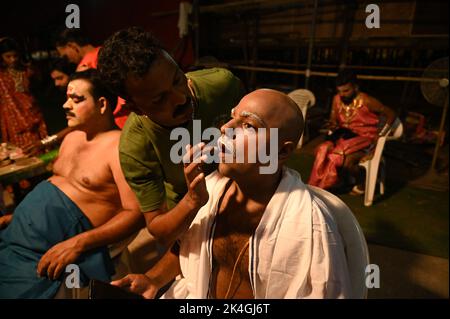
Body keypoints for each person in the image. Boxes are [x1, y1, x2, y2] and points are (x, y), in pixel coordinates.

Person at [111, 89, 352, 299]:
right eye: (232, 117)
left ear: (281, 151)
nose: (226, 128)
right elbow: (190, 247)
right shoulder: (212, 188)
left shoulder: (311, 225)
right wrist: (152, 279)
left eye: (248, 125)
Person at [0, 69, 143, 298]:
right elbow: (55, 186)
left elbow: (136, 213)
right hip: (19, 234)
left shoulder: (119, 147)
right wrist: (17, 216)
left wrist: (77, 244)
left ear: (102, 104)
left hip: (46, 250)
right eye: (67, 98)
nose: (66, 105)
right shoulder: (72, 137)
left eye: (76, 99)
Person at [97, 27, 245, 248]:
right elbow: (159, 229)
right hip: (194, 221)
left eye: (177, 79)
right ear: (135, 108)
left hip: (243, 191)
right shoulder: (136, 145)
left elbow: (258, 136)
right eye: (159, 99)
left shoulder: (223, 85)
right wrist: (193, 200)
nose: (180, 98)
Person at [308, 69, 396, 194]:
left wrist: (381, 134)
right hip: (344, 137)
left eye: (346, 90)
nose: (342, 94)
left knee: (345, 160)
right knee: (322, 149)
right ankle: (323, 184)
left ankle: (362, 182)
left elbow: (391, 114)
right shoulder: (337, 99)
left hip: (365, 139)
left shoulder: (367, 100)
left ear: (356, 87)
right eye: (339, 91)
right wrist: (331, 125)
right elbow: (334, 121)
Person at [55, 29, 129, 128]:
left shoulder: (86, 66)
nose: (67, 60)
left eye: (65, 55)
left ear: (72, 46)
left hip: (114, 121)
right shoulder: (107, 53)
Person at [0, 37, 48, 149]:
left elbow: (36, 90)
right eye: (8, 57)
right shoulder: (2, 75)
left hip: (32, 114)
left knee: (39, 147)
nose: (13, 60)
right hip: (12, 119)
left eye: (15, 56)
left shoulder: (27, 71)